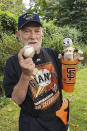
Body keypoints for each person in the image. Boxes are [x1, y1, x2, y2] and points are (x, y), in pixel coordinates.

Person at [3, 12, 82, 131]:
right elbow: (16, 99)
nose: (33, 36)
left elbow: (64, 86)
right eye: (27, 31)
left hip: (59, 120)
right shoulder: (12, 62)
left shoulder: (52, 53)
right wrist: (25, 75)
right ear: (18, 35)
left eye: (37, 30)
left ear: (42, 33)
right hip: (33, 125)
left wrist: (69, 65)